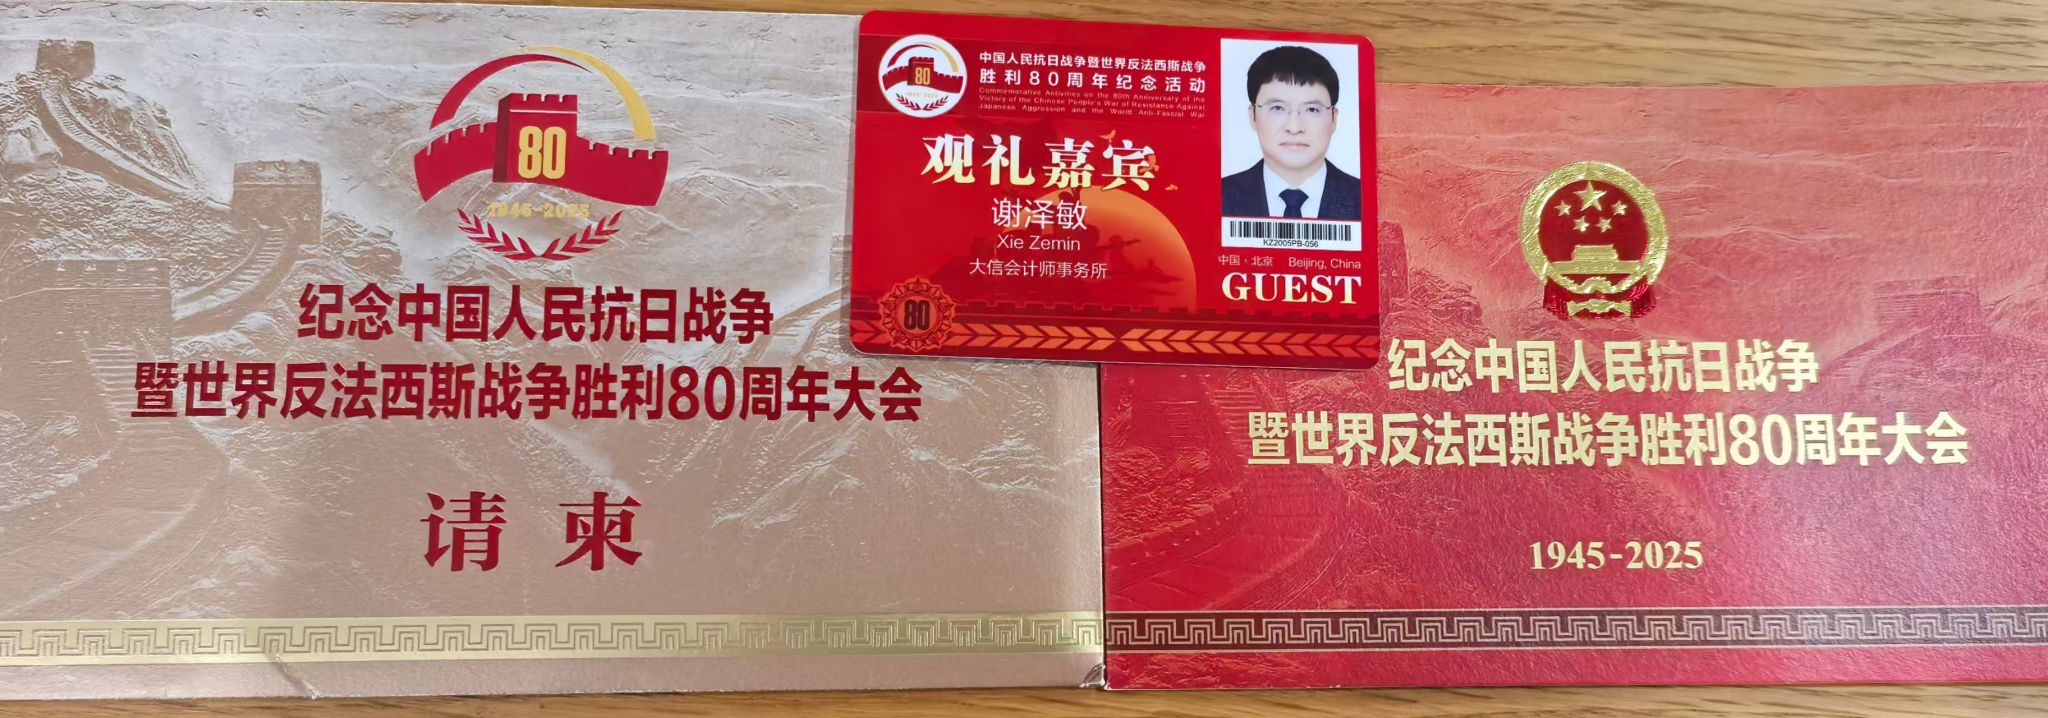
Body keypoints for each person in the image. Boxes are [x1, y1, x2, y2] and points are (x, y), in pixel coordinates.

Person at [1221, 45, 1361, 221]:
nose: (1294, 128)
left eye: (1312, 109)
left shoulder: (1364, 198)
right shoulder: (1218, 196)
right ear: (1253, 115)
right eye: (1277, 108)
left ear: (1333, 118)